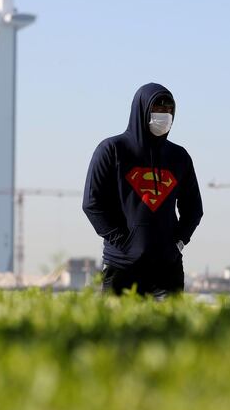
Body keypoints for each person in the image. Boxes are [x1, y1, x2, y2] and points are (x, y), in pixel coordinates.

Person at [82, 82, 203, 298]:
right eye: (158, 108)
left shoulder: (179, 157)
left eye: (169, 110)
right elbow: (92, 203)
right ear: (142, 109)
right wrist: (123, 243)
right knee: (117, 330)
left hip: (167, 269)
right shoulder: (112, 150)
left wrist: (178, 243)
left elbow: (193, 208)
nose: (164, 115)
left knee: (170, 330)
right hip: (121, 266)